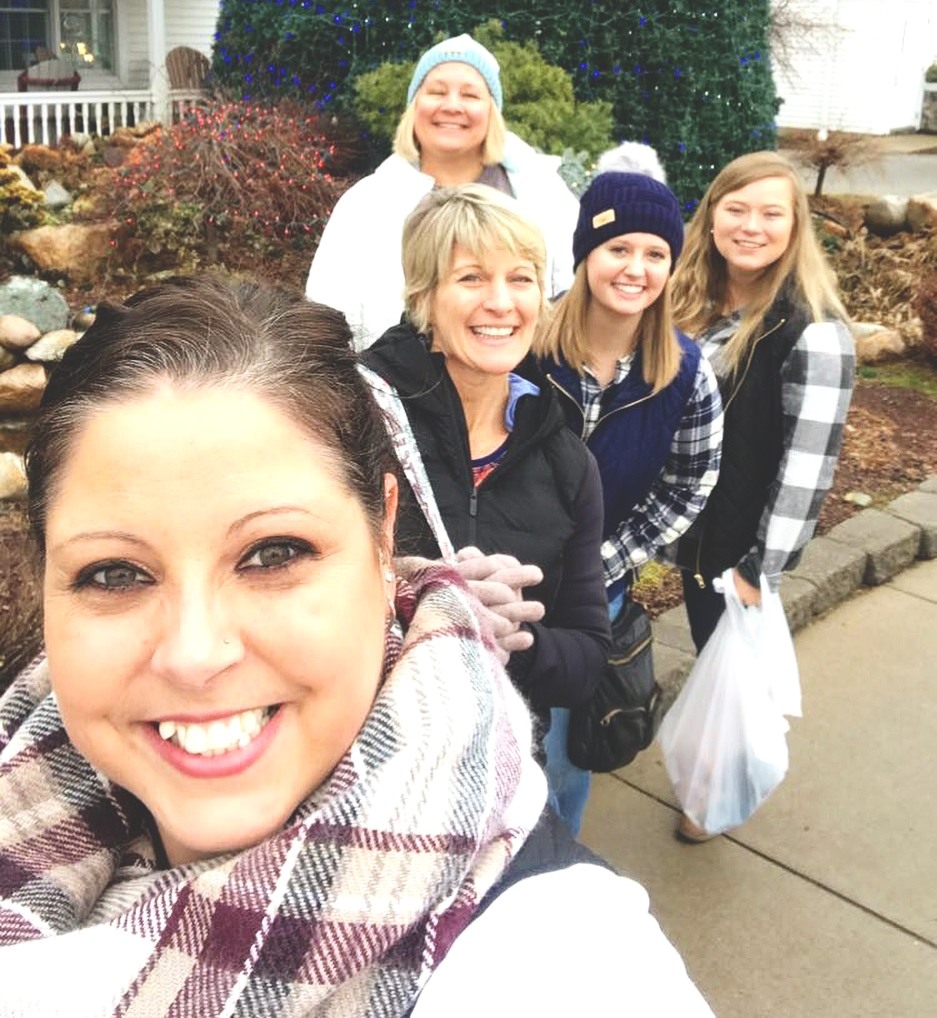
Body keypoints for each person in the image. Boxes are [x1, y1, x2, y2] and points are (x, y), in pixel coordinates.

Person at [0, 275, 714, 1015]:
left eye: (273, 553)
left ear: (382, 535)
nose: (194, 653)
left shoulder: (565, 966)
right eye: (114, 573)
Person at [362, 183, 610, 758]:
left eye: (521, 278)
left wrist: (509, 638)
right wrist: (428, 606)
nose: (502, 303)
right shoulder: (360, 421)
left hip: (502, 760)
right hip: (370, 753)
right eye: (471, 277)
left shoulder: (567, 461)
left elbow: (587, 657)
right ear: (424, 295)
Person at [669, 151, 855, 842]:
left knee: (729, 670)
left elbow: (807, 464)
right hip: (687, 524)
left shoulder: (813, 330)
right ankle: (707, 774)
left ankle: (714, 795)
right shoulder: (688, 299)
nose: (750, 226)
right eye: (736, 208)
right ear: (711, 215)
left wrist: (760, 566)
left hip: (737, 539)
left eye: (770, 213)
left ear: (793, 225)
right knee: (704, 647)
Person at [535, 166, 723, 835]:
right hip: (506, 584)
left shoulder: (684, 373)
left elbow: (689, 483)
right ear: (586, 252)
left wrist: (603, 561)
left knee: (562, 759)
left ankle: (550, 876)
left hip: (594, 595)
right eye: (617, 249)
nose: (634, 268)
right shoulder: (527, 347)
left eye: (654, 254)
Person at [306, 32, 579, 349]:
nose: (452, 106)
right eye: (436, 92)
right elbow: (325, 316)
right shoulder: (366, 203)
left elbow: (574, 300)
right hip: (388, 391)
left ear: (492, 111)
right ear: (414, 106)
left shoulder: (543, 194)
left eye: (470, 95)